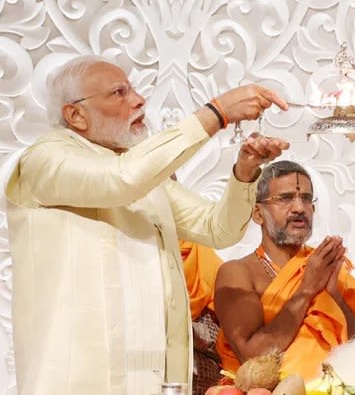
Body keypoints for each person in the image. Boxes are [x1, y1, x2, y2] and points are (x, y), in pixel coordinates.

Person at [5, 55, 289, 395]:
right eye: (118, 92)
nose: (138, 100)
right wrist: (216, 114)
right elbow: (119, 181)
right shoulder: (46, 157)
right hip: (78, 377)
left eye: (133, 89)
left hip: (155, 380)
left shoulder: (132, 170)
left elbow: (216, 228)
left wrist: (245, 173)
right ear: (75, 114)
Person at [214, 160, 355, 380]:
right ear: (258, 213)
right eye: (285, 198)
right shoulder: (238, 273)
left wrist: (334, 296)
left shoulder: (323, 265)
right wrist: (306, 290)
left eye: (306, 199)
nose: (300, 208)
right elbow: (252, 357)